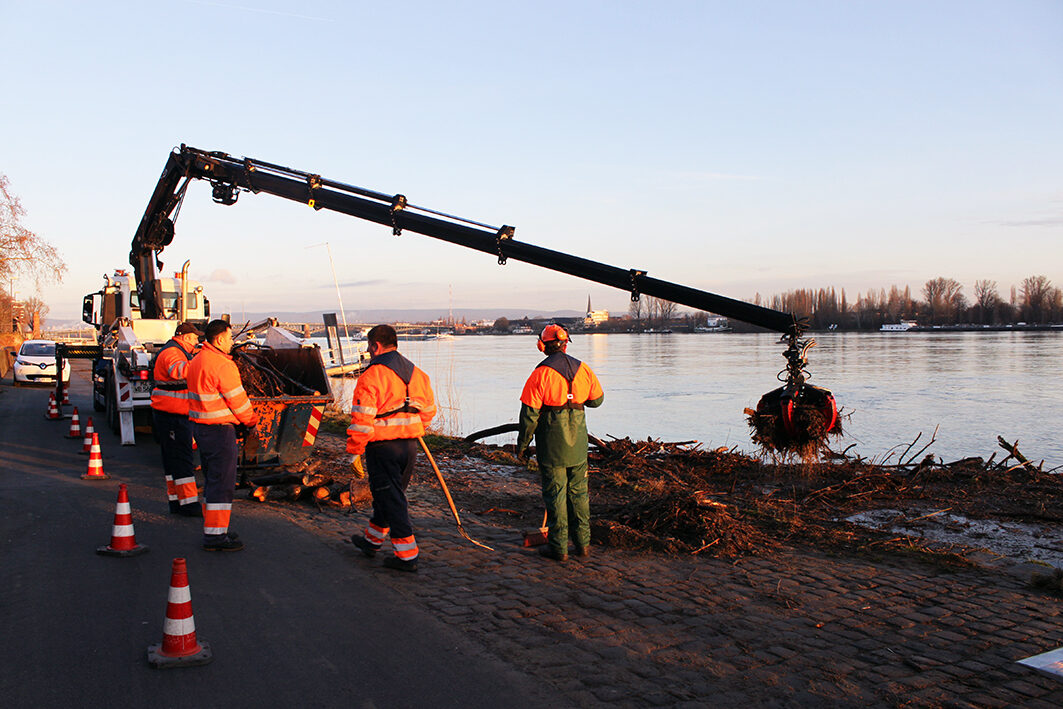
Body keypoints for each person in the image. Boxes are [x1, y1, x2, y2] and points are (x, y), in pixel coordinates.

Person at [347, 324, 436, 572]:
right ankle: (372, 541)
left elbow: (362, 419)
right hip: (409, 447)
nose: (368, 352)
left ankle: (407, 556)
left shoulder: (372, 375)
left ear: (375, 346)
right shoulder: (417, 373)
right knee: (390, 494)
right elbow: (428, 412)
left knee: (392, 498)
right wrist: (412, 428)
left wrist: (354, 451)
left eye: (368, 348)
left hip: (383, 447)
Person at [516, 324, 604, 563]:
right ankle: (583, 545)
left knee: (556, 496)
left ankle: (558, 548)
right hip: (578, 445)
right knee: (579, 495)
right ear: (566, 344)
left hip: (552, 445)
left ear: (542, 345)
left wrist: (522, 445)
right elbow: (597, 401)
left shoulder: (540, 373)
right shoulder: (583, 368)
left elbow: (529, 417)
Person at [185, 319, 259, 551]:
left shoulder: (196, 360)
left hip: (202, 428)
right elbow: (238, 401)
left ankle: (215, 529)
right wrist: (251, 423)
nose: (231, 342)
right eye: (229, 338)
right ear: (219, 339)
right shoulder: (222, 365)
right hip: (219, 431)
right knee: (222, 484)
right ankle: (216, 536)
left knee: (212, 481)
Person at [150, 321, 203, 517]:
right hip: (173, 416)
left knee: (173, 461)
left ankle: (177, 501)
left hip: (171, 414)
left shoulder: (177, 351)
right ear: (186, 337)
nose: (197, 342)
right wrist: (203, 360)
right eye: (195, 338)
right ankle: (188, 504)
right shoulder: (172, 352)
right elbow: (179, 371)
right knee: (181, 460)